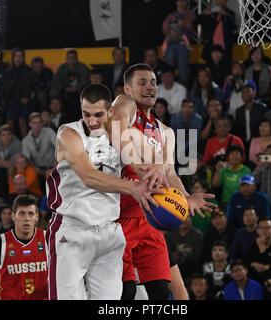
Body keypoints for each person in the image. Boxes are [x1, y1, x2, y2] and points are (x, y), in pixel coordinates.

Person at [107, 63, 217, 300]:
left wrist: (187, 197)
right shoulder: (125, 105)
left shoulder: (165, 131)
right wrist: (140, 163)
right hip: (117, 218)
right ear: (127, 88)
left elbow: (170, 173)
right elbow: (115, 129)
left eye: (153, 82)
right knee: (124, 292)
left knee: (161, 292)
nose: (150, 87)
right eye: (142, 82)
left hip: (150, 218)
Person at [45, 83, 162, 300]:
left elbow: (155, 163)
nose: (91, 121)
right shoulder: (69, 134)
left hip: (109, 232)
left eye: (98, 114)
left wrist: (165, 176)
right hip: (72, 230)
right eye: (86, 114)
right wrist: (133, 187)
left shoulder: (120, 136)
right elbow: (89, 177)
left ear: (110, 112)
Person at [0, 195, 48, 300]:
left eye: (31, 213)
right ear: (13, 216)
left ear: (37, 217)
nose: (27, 218)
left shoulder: (49, 240)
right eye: (22, 213)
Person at [2, 47, 37, 138]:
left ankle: (24, 146)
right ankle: (10, 144)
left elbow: (34, 88)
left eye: (21, 56)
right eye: (16, 56)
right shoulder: (8, 72)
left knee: (22, 121)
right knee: (10, 122)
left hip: (27, 101)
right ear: (13, 58)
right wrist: (19, 98)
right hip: (14, 101)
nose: (19, 58)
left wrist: (27, 97)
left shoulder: (29, 71)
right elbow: (7, 90)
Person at [50, 50, 90, 121]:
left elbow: (85, 81)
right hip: (65, 93)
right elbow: (55, 81)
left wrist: (75, 88)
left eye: (73, 58)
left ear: (77, 59)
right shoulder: (62, 68)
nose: (71, 60)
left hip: (79, 93)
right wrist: (64, 88)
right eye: (69, 58)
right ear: (66, 59)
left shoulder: (83, 67)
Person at [162, 0, 195, 86]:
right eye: (179, 1)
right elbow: (164, 27)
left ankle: (183, 90)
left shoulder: (190, 14)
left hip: (182, 44)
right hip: (171, 44)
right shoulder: (171, 15)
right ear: (176, 2)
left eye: (183, 1)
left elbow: (190, 28)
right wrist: (170, 30)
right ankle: (168, 88)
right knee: (169, 68)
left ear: (186, 3)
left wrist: (182, 24)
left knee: (183, 70)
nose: (181, 3)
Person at [244, 218, 271, 285]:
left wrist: (262, 249)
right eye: (261, 228)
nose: (264, 230)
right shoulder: (252, 245)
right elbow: (245, 261)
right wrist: (252, 264)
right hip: (255, 279)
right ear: (257, 231)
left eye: (267, 227)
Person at [166, 215, 204, 280]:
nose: (183, 220)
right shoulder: (172, 233)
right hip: (174, 266)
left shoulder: (198, 235)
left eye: (186, 218)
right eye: (180, 217)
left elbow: (197, 257)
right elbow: (168, 252)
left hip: (192, 268)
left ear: (191, 220)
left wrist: (178, 256)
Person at [212, 144, 251, 208]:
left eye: (237, 154)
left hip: (242, 201)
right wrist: (217, 171)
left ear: (241, 157)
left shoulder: (246, 171)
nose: (234, 156)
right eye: (232, 154)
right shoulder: (223, 170)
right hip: (226, 202)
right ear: (228, 157)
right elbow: (215, 184)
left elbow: (249, 189)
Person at [22, 112, 56, 185]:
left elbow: (59, 147)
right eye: (34, 123)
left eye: (39, 123)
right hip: (37, 170)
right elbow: (27, 160)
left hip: (53, 168)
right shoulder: (25, 141)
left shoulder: (49, 132)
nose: (37, 125)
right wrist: (38, 171)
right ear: (30, 124)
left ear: (42, 123)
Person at [170, 99, 203, 168]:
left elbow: (196, 138)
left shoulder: (198, 119)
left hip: (193, 146)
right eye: (185, 107)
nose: (187, 109)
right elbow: (173, 136)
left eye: (190, 107)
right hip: (177, 145)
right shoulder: (174, 118)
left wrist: (183, 147)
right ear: (181, 108)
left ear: (193, 109)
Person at [234, 83, 268, 148]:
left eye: (248, 91)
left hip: (259, 142)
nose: (245, 94)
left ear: (253, 93)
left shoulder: (261, 108)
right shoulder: (239, 111)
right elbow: (238, 129)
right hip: (244, 143)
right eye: (243, 92)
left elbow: (265, 126)